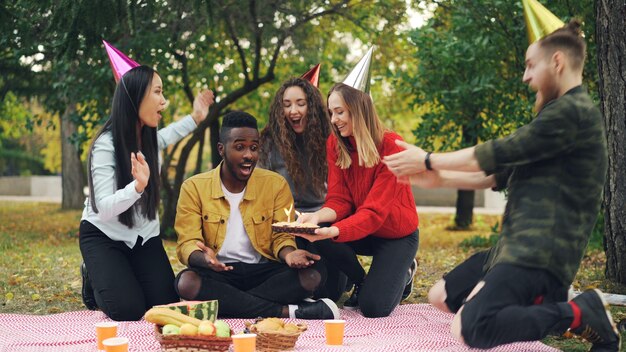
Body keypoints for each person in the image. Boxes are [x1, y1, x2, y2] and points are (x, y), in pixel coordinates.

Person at [383, 20, 619, 350]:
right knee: (440, 296)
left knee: (471, 328)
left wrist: (429, 159)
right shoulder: (555, 120)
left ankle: (577, 313)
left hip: (539, 255)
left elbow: (499, 151)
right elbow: (498, 173)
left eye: (530, 66)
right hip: (511, 248)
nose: (525, 77)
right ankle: (542, 306)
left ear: (557, 62)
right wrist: (438, 178)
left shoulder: (573, 113)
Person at [173, 111, 340, 320]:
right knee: (186, 282)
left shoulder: (275, 184)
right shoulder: (193, 187)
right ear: (221, 149)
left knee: (313, 274)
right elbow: (187, 242)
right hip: (220, 274)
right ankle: (287, 311)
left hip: (263, 271)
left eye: (254, 147)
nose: (249, 155)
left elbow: (282, 235)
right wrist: (205, 259)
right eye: (239, 147)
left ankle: (230, 305)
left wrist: (289, 254)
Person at [79, 65, 215, 321]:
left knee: (165, 305)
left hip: (143, 237)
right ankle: (93, 277)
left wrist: (196, 117)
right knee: (127, 310)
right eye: (157, 92)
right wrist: (136, 188)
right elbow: (104, 208)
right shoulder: (105, 145)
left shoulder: (151, 140)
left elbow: (168, 135)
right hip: (103, 235)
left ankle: (122, 273)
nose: (163, 100)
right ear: (135, 97)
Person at [296, 83, 419, 318]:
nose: (333, 120)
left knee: (373, 308)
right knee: (317, 228)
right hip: (360, 230)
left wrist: (334, 231)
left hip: (396, 235)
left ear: (359, 109)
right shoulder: (335, 144)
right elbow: (339, 200)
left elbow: (374, 214)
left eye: (339, 112)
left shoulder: (392, 146)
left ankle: (406, 271)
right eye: (331, 113)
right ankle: (359, 280)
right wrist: (317, 217)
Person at [259, 77, 351, 301]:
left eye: (300, 103)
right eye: (287, 104)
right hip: (287, 224)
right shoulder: (269, 142)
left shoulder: (331, 138)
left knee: (332, 292)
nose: (293, 110)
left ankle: (348, 276)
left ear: (312, 106)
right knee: (311, 285)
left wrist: (320, 219)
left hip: (324, 220)